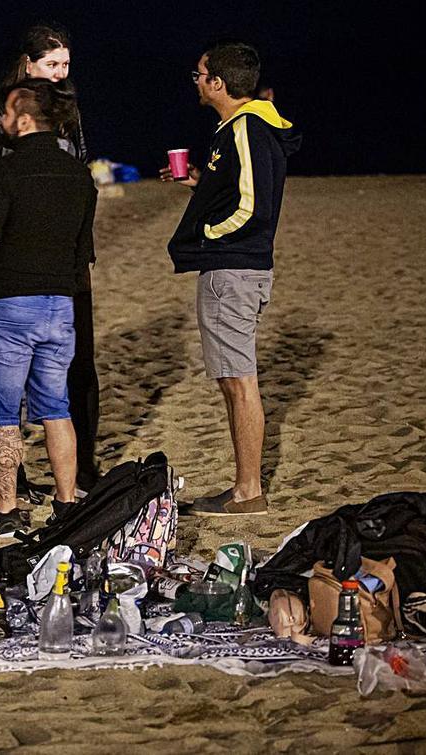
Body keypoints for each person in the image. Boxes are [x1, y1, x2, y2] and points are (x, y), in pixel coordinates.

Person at [0, 23, 101, 494]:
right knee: (45, 401)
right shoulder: (72, 173)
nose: (60, 74)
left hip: (31, 285)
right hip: (42, 282)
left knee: (22, 404)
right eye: (52, 64)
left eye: (65, 65)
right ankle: (54, 495)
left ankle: (13, 505)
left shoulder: (19, 159)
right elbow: (83, 244)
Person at [165, 41, 300, 516]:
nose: (197, 82)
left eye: (200, 75)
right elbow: (242, 190)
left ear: (218, 82)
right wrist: (201, 185)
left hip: (232, 269)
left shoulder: (246, 127)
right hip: (240, 267)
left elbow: (253, 206)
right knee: (235, 381)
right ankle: (246, 488)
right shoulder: (247, 126)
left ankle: (247, 492)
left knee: (239, 383)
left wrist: (206, 234)